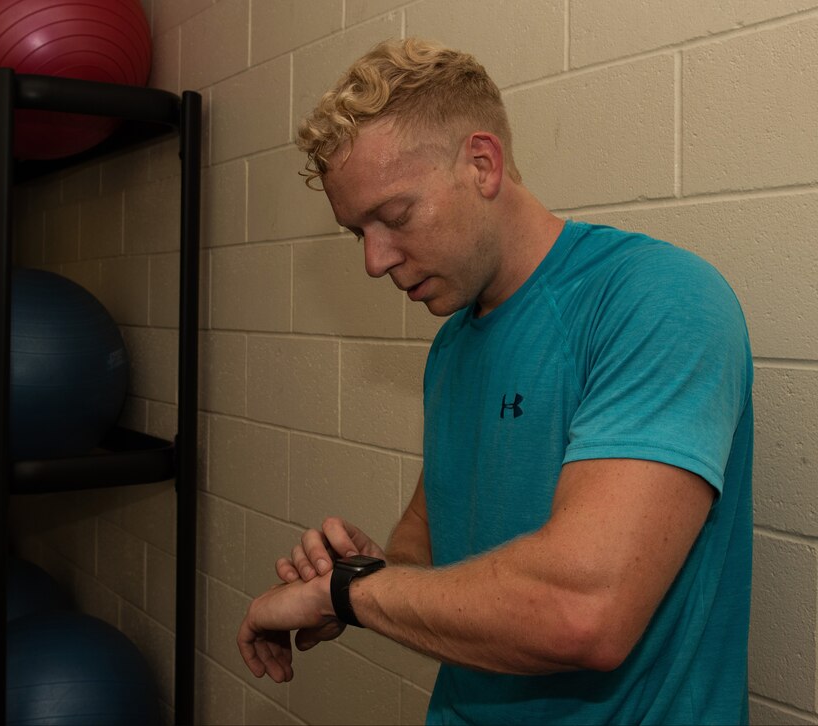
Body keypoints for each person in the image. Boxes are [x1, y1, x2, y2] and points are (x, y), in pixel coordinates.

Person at [236, 37, 753, 725]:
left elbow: (583, 612)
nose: (374, 260)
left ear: (483, 164)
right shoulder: (453, 345)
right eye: (356, 231)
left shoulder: (656, 300)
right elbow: (426, 547)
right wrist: (363, 574)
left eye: (394, 216)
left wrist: (347, 596)